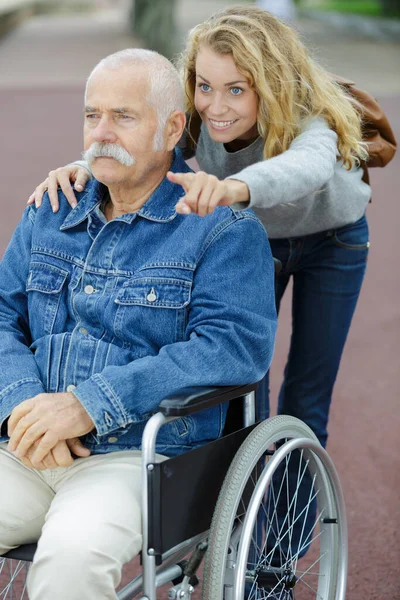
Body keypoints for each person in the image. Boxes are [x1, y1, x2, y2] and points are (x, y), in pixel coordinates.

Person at [27, 3, 370, 576]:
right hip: (248, 236)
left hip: (327, 244)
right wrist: (83, 164)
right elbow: (142, 140)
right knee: (234, 390)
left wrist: (232, 187)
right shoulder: (200, 123)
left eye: (237, 89)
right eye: (204, 87)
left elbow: (303, 172)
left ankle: (275, 558)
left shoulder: (312, 122)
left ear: (273, 85)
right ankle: (217, 528)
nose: (216, 105)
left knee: (304, 399)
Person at [0, 48, 277, 600]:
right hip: (30, 445)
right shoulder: (52, 208)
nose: (101, 132)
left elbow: (232, 350)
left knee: (70, 563)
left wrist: (86, 405)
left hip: (139, 455)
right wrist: (26, 406)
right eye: (91, 115)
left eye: (123, 117)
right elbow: (4, 315)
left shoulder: (220, 230)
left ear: (173, 127)